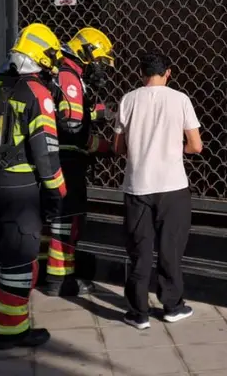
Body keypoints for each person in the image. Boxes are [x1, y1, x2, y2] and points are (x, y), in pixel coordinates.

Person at [0, 23, 67, 349]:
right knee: (20, 259)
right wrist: (57, 191)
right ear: (42, 58)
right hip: (20, 188)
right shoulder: (37, 95)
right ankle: (12, 331)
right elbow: (45, 151)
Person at [112, 51, 203, 330]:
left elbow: (117, 147)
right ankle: (172, 306)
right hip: (173, 187)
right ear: (168, 73)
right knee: (170, 249)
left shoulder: (128, 99)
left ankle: (138, 313)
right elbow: (196, 146)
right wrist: (177, 149)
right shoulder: (180, 100)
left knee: (139, 251)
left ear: (141, 73)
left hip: (138, 187)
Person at [39, 27, 115, 296]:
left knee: (52, 219)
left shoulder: (63, 72)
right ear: (88, 53)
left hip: (54, 157)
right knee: (68, 221)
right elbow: (72, 125)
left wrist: (98, 113)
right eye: (100, 61)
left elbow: (68, 112)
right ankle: (61, 280)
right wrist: (107, 146)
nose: (101, 68)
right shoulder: (70, 77)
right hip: (68, 160)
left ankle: (44, 272)